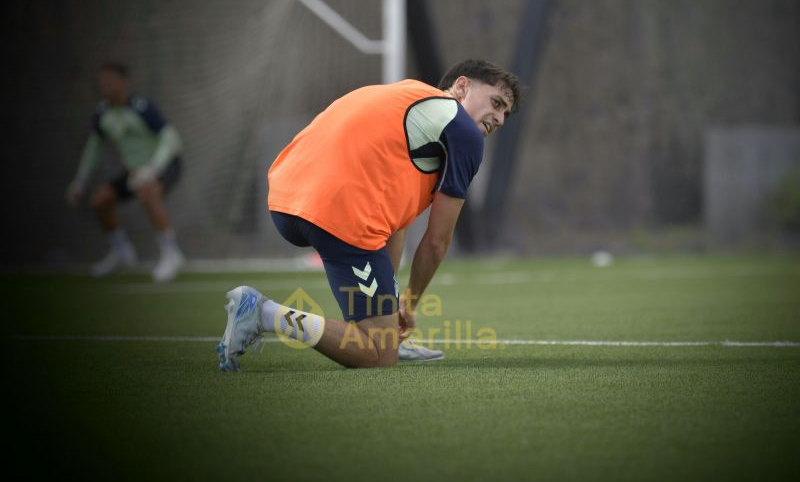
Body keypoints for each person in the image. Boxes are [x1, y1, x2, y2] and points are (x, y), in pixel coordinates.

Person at [217, 59, 520, 370]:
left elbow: (395, 222)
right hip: (337, 210)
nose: (499, 118)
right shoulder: (464, 132)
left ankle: (385, 330)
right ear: (462, 86)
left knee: (384, 303)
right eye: (496, 103)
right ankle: (263, 313)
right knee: (378, 353)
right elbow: (436, 242)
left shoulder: (409, 93)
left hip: (284, 198)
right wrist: (410, 303)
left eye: (505, 114)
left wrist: (389, 308)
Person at [65, 63, 185, 282]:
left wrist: (153, 169)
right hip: (134, 172)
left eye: (110, 81)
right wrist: (80, 181)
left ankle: (171, 253)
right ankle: (121, 252)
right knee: (99, 201)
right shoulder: (103, 114)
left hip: (164, 165)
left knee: (148, 194)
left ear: (123, 82)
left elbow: (171, 139)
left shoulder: (141, 107)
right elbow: (94, 148)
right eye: (102, 82)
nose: (106, 86)